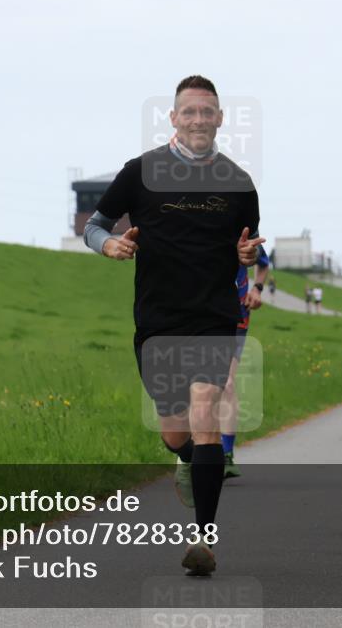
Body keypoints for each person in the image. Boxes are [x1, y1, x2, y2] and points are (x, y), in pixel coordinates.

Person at [83, 75, 261, 576]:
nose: (199, 120)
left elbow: (246, 246)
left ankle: (204, 540)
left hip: (213, 316)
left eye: (208, 112)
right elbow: (95, 225)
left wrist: (246, 254)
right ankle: (185, 460)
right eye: (190, 112)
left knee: (206, 407)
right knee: (173, 431)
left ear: (221, 119)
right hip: (158, 318)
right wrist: (110, 245)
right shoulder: (141, 172)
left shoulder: (239, 182)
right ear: (174, 118)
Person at [221, 244, 269, 480]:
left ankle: (226, 454)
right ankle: (196, 451)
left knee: (227, 383)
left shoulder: (242, 229)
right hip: (198, 312)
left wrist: (257, 289)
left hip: (236, 314)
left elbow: (263, 263)